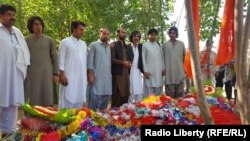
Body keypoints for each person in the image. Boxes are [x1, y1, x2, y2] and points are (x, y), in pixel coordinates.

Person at [0, 4, 30, 136]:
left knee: (12, 104)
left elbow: (25, 53)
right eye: (9, 15)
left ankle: (8, 133)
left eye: (13, 15)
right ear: (0, 16)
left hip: (15, 75)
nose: (12, 18)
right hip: (1, 75)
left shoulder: (17, 32)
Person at [24, 16, 59, 106]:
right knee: (31, 99)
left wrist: (55, 74)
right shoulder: (25, 41)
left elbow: (54, 58)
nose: (38, 27)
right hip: (31, 74)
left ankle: (47, 119)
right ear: (31, 26)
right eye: (35, 24)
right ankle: (30, 120)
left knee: (47, 98)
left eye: (40, 24)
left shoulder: (49, 41)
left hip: (46, 74)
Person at [58, 21, 87, 109]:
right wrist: (62, 74)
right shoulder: (65, 42)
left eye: (83, 30)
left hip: (81, 78)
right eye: (80, 29)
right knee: (66, 101)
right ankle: (64, 122)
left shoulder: (83, 44)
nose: (82, 32)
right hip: (68, 77)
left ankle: (76, 121)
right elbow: (61, 59)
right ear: (74, 29)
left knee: (79, 99)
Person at [87, 28, 112, 111]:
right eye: (104, 33)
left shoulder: (108, 47)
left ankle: (101, 121)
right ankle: (90, 122)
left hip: (107, 79)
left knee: (105, 100)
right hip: (96, 77)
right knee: (93, 102)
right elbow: (89, 62)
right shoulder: (93, 45)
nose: (106, 36)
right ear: (100, 34)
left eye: (108, 34)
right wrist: (90, 75)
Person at [111, 27, 133, 108]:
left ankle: (123, 114)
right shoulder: (114, 45)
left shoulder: (127, 46)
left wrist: (129, 63)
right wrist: (123, 63)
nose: (124, 34)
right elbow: (112, 59)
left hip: (126, 73)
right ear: (118, 33)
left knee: (126, 94)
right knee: (117, 95)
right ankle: (114, 114)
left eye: (125, 33)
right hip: (117, 74)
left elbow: (130, 58)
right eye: (122, 32)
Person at [162, 26, 186, 98]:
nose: (172, 34)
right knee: (170, 99)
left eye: (174, 33)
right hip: (169, 74)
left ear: (176, 34)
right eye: (171, 33)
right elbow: (162, 58)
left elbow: (184, 57)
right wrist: (163, 69)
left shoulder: (181, 44)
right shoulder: (165, 45)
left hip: (179, 73)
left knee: (180, 98)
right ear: (169, 34)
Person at [142, 28, 164, 96]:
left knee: (158, 95)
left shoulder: (159, 45)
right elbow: (143, 59)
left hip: (158, 72)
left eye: (155, 35)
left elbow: (162, 58)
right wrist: (145, 71)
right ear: (148, 35)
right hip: (149, 73)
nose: (153, 36)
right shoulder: (145, 45)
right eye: (151, 35)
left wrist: (163, 68)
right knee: (149, 95)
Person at [127, 31, 144, 103]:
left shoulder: (141, 47)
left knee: (139, 90)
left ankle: (138, 107)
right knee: (130, 91)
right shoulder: (127, 47)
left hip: (138, 72)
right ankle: (129, 108)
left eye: (138, 36)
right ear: (131, 37)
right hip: (129, 72)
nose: (136, 38)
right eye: (134, 36)